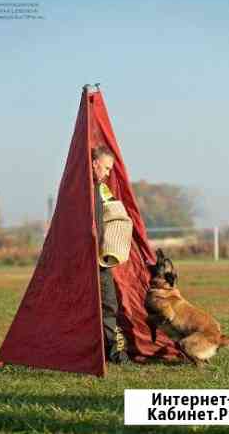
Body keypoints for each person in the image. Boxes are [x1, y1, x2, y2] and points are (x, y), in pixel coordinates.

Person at [91, 145, 130, 364]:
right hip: (80, 258)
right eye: (106, 168)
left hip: (100, 259)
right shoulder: (78, 187)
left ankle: (116, 354)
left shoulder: (102, 189)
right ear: (95, 163)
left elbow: (117, 213)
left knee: (108, 304)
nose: (107, 173)